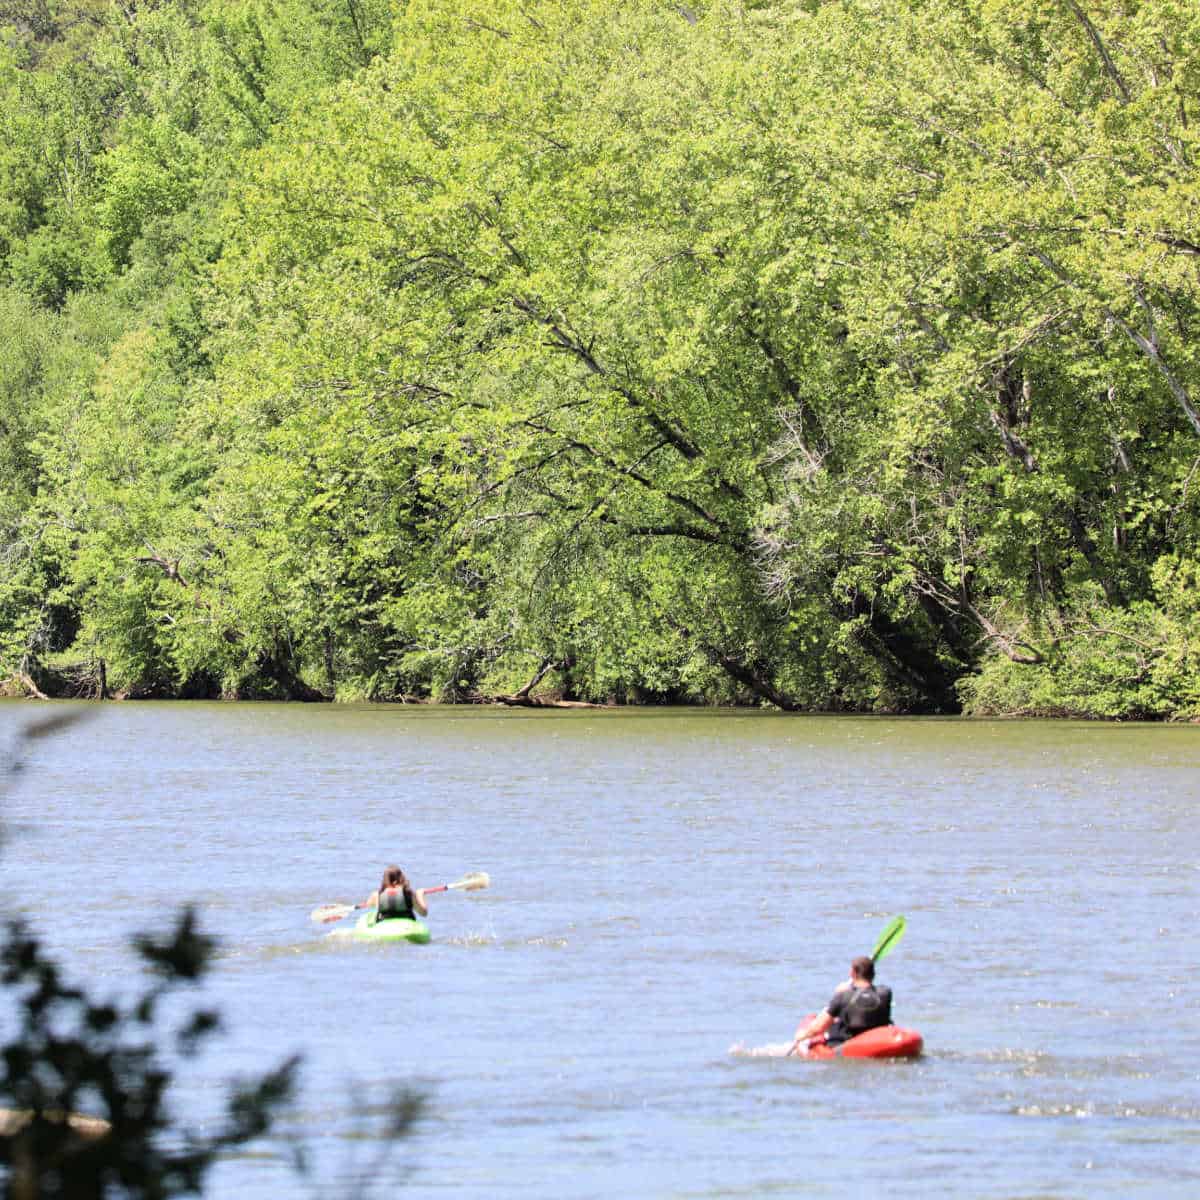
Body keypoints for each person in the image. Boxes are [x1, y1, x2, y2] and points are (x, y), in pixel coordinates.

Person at [790, 955, 892, 1053]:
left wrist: (801, 1036)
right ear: (873, 974)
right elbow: (866, 992)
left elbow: (819, 1027)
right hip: (878, 1041)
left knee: (834, 1021)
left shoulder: (842, 996)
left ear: (852, 973)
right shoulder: (886, 993)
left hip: (847, 1044)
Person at [361, 865, 428, 922]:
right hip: (406, 927)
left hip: (384, 927)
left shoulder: (377, 895)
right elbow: (424, 913)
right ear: (401, 878)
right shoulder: (409, 893)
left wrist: (372, 902)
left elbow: (368, 904)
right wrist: (420, 895)